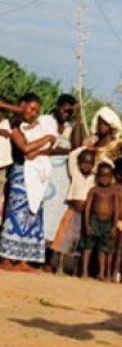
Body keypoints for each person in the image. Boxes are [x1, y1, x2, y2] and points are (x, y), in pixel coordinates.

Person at [0, 93, 57, 271]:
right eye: (30, 108)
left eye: (36, 111)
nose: (32, 113)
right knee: (15, 216)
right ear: (21, 105)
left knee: (32, 217)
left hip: (35, 177)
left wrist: (40, 146)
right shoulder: (14, 125)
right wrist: (46, 138)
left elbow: (36, 152)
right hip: (20, 174)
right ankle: (7, 258)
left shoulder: (36, 127)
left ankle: (22, 258)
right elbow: (26, 149)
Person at [39, 94, 80, 250]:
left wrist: (77, 121)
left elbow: (76, 149)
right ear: (57, 107)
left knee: (56, 214)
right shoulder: (44, 121)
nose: (67, 114)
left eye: (70, 112)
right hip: (45, 174)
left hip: (62, 180)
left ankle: (50, 249)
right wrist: (65, 151)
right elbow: (44, 149)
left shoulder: (70, 127)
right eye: (65, 110)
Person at [49, 148, 95, 274]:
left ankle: (75, 269)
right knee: (65, 237)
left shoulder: (94, 178)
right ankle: (59, 266)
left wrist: (98, 152)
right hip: (73, 211)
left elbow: (108, 164)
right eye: (84, 162)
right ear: (79, 163)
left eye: (90, 163)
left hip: (86, 214)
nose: (86, 165)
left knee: (80, 239)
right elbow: (72, 155)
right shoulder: (75, 173)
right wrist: (85, 147)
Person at [80, 162, 119, 280]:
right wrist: (87, 225)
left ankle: (101, 273)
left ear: (111, 177)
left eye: (108, 176)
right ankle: (84, 272)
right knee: (88, 247)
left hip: (107, 223)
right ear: (97, 176)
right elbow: (88, 208)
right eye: (102, 176)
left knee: (103, 248)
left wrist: (114, 226)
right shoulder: (94, 190)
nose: (105, 179)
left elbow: (116, 210)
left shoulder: (114, 191)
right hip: (94, 221)